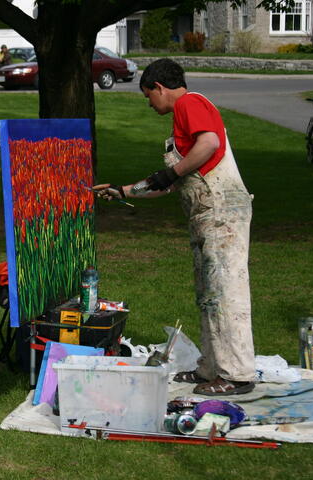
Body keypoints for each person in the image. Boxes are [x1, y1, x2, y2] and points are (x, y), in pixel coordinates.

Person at [94, 58, 256, 396]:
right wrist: (124, 191)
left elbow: (209, 143)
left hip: (222, 211)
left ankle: (237, 374)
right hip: (207, 214)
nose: (149, 103)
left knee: (226, 292)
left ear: (160, 88)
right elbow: (166, 183)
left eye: (147, 95)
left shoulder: (189, 103)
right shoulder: (183, 119)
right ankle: (211, 368)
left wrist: (174, 171)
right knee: (208, 294)